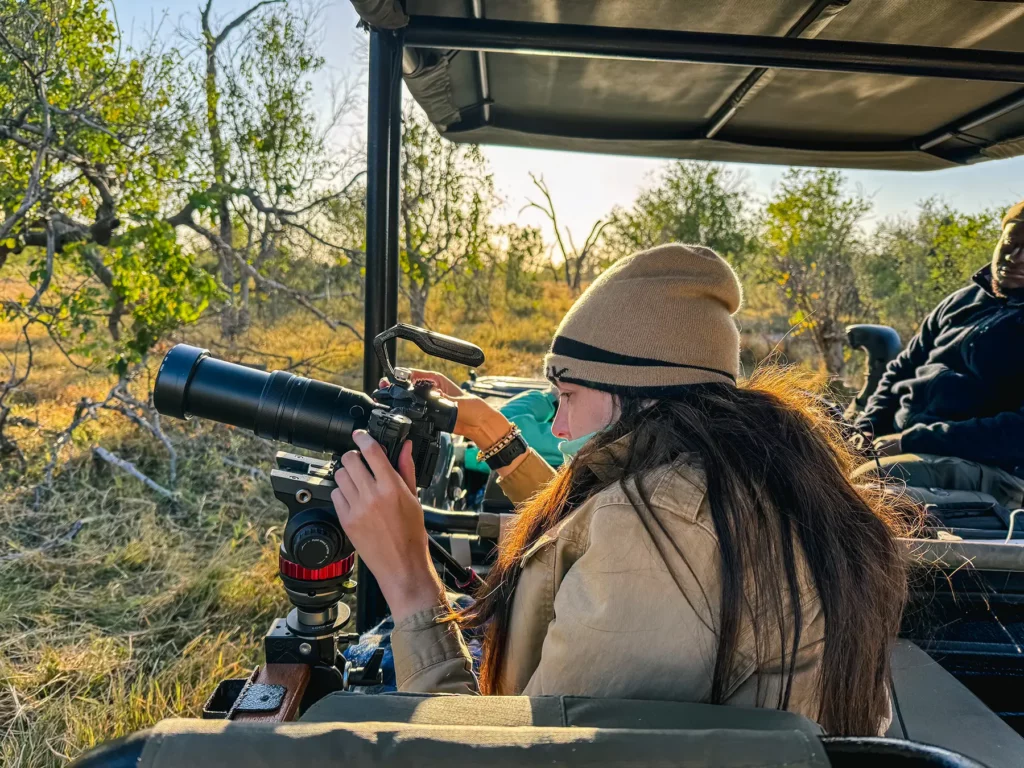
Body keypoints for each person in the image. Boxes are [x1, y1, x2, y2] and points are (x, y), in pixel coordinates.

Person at [330, 244, 914, 737]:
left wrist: (408, 581)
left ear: (635, 391)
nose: (556, 426)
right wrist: (493, 436)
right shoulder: (726, 479)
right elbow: (589, 526)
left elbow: (524, 757)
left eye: (566, 396)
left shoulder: (666, 536)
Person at [852, 201, 1024, 509]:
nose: (1014, 257)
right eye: (1011, 243)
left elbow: (1016, 434)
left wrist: (912, 441)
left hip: (994, 469)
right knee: (805, 455)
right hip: (905, 441)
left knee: (863, 485)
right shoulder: (962, 301)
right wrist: (869, 426)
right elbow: (902, 368)